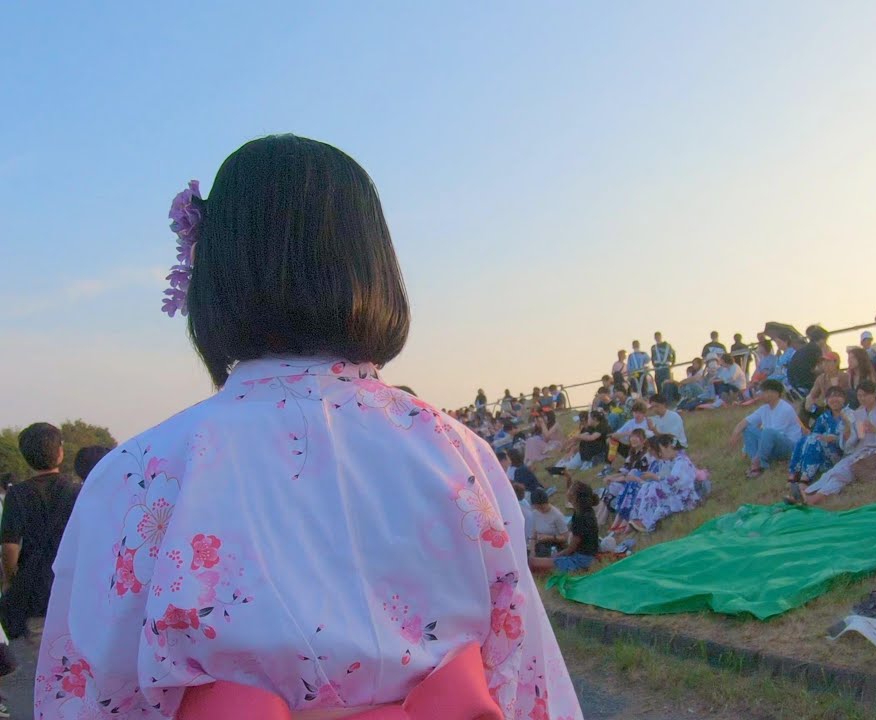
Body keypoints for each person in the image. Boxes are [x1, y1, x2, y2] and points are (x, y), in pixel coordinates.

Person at [36, 135, 582, 718]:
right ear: (374, 266)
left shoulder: (140, 472)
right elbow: (519, 667)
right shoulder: (458, 453)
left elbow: (90, 690)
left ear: (213, 270)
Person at [1, 423, 80, 644]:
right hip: (73, 587)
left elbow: (9, 546)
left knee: (45, 664)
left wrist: (10, 579)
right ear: (60, 452)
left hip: (36, 591)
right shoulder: (77, 491)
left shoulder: (17, 495)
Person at [800, 381, 876, 504]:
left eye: (865, 395)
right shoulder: (858, 414)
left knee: (843, 472)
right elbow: (855, 440)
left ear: (874, 395)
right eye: (859, 396)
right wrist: (848, 427)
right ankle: (809, 493)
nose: (862, 399)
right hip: (859, 451)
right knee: (835, 470)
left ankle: (815, 496)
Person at [627, 434, 704, 533]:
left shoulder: (682, 461)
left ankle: (646, 522)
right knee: (647, 486)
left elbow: (675, 482)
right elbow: (666, 479)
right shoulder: (671, 460)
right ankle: (639, 517)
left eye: (661, 450)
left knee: (654, 488)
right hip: (674, 490)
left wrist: (656, 478)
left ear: (669, 447)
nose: (660, 454)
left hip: (683, 495)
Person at [730, 379, 803, 478]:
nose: (761, 394)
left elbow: (775, 435)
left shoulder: (785, 409)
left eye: (764, 392)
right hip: (771, 443)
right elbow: (745, 422)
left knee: (768, 432)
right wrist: (735, 434)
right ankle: (755, 462)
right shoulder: (764, 408)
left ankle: (760, 463)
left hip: (788, 446)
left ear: (775, 393)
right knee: (748, 429)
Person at [787, 387, 856, 487]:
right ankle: (794, 473)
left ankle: (805, 479)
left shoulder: (850, 414)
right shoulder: (824, 416)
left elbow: (853, 437)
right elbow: (816, 433)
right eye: (830, 397)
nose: (834, 399)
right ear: (826, 401)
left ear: (844, 399)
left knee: (814, 440)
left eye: (837, 396)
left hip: (842, 452)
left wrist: (836, 438)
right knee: (805, 439)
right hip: (824, 451)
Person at [530, 482, 600, 574]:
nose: (567, 491)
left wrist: (554, 557)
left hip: (581, 560)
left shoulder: (581, 517)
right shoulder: (584, 511)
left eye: (570, 489)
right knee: (537, 560)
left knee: (533, 562)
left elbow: (571, 548)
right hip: (582, 555)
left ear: (574, 497)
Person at [787, 325, 830, 397]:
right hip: (805, 381)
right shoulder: (816, 349)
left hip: (793, 380)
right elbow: (821, 368)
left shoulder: (805, 348)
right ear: (822, 339)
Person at [527, 489, 570, 558]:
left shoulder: (557, 515)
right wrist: (532, 551)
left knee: (544, 552)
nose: (540, 510)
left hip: (555, 544)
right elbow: (533, 535)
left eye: (542, 507)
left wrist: (549, 537)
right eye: (538, 508)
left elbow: (565, 537)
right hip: (541, 543)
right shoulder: (535, 513)